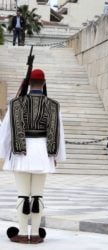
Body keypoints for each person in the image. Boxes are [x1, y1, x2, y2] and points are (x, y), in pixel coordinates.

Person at [0, 69, 66, 244]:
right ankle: (36, 234)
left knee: (22, 195)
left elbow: (6, 132)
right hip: (43, 153)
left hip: (21, 153)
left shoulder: (16, 103)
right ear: (44, 83)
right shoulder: (53, 104)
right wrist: (56, 156)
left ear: (29, 84)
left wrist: (4, 153)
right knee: (38, 195)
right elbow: (58, 132)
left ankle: (22, 233)